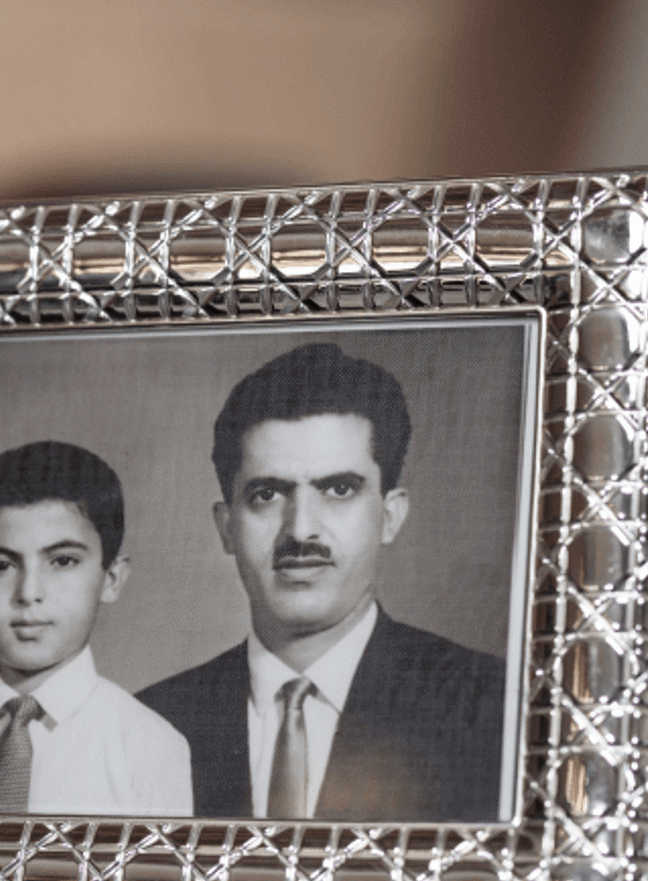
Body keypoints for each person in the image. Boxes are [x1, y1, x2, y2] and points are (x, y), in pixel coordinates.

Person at [138, 342, 506, 823]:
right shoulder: (148, 723)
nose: (300, 530)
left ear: (390, 515)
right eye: (267, 494)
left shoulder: (493, 708)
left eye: (339, 489)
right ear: (226, 528)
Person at [0, 440, 192, 816]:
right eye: (1, 566)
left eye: (63, 561)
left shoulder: (149, 748)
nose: (28, 593)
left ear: (111, 579)